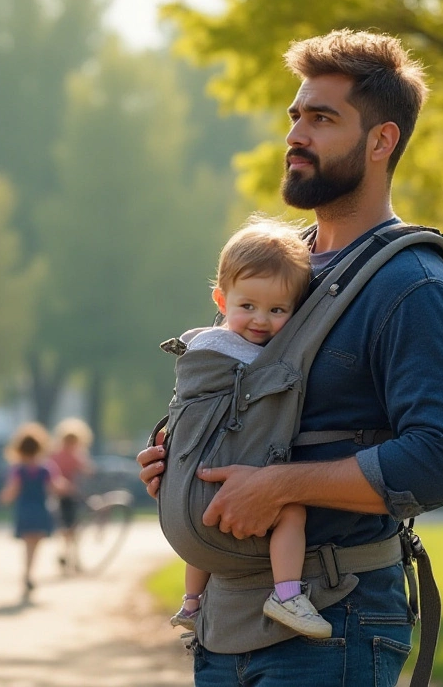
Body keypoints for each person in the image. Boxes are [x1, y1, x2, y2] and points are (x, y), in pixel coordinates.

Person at [137, 29, 443, 686]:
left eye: (322, 119)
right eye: (296, 116)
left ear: (382, 141)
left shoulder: (411, 286)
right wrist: (176, 453)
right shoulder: (274, 267)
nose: (296, 134)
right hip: (222, 622)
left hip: (333, 624)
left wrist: (281, 485)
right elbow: (241, 402)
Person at [165, 216, 328, 639]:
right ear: (222, 301)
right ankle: (288, 594)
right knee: (291, 510)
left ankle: (191, 602)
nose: (260, 320)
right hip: (239, 472)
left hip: (201, 475)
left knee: (205, 516)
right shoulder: (243, 355)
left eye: (277, 310)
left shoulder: (199, 343)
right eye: (247, 307)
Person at [0, 422, 70, 600]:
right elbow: (55, 486)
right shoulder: (45, 468)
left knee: (28, 544)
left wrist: (4, 497)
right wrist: (68, 488)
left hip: (24, 510)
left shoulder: (18, 470)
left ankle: (27, 573)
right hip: (40, 509)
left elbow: (12, 490)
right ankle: (30, 573)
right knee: (35, 544)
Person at [48, 417, 95, 574]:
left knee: (68, 529)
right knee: (70, 528)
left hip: (68, 495)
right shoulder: (71, 455)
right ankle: (71, 558)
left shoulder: (59, 454)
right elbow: (88, 470)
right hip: (66, 496)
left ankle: (69, 557)